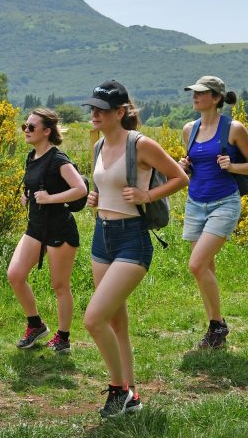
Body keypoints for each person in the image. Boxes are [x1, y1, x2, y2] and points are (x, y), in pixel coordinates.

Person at [81, 80, 189, 417]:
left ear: (120, 112)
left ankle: (118, 390)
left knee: (93, 319)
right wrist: (95, 198)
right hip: (102, 236)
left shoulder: (140, 144)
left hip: (132, 238)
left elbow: (180, 178)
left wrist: (147, 196)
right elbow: (105, 184)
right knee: (116, 323)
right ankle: (132, 396)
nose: (94, 114)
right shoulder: (98, 146)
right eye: (93, 108)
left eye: (101, 109)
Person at [178, 76, 248, 349]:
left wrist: (233, 166)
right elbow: (194, 166)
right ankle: (215, 328)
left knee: (196, 265)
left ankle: (217, 326)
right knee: (205, 268)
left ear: (216, 98)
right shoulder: (189, 129)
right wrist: (185, 165)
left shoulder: (234, 129)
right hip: (194, 203)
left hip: (224, 203)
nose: (194, 97)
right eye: (194, 92)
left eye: (200, 93)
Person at [11, 108, 90, 352]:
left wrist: (49, 198)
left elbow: (80, 189)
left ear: (47, 131)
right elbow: (35, 186)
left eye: (32, 127)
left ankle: (63, 337)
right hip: (36, 227)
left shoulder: (58, 159)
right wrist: (29, 197)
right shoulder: (31, 157)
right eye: (25, 126)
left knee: (60, 285)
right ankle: (35, 325)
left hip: (59, 229)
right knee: (15, 275)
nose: (26, 130)